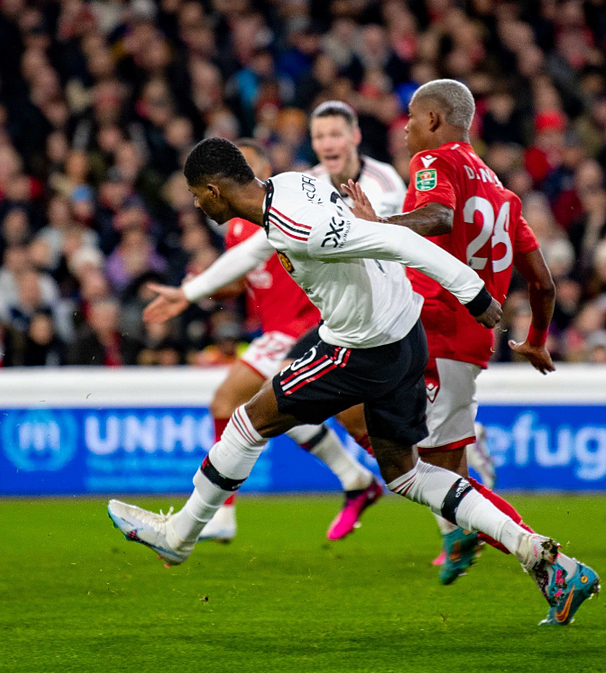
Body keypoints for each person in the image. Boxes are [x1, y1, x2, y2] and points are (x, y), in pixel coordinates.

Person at [111, 137, 598, 627]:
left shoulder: (298, 225)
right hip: (404, 335)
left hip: (361, 348)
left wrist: (471, 292)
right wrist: (193, 291)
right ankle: (543, 558)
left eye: (197, 194)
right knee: (405, 474)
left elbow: (399, 240)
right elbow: (274, 246)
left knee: (247, 421)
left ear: (214, 191)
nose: (196, 203)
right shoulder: (291, 186)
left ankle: (179, 538)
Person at [344, 79, 556, 582]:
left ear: (435, 121)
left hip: (434, 331)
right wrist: (536, 340)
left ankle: (548, 561)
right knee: (428, 463)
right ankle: (464, 529)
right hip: (468, 342)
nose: (404, 131)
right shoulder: (502, 193)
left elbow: (437, 217)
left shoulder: (436, 162)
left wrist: (376, 223)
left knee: (432, 474)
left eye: (411, 119)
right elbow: (543, 284)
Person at [145, 139, 378, 544]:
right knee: (261, 408)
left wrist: (196, 289)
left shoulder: (284, 207)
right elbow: (243, 278)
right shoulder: (237, 226)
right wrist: (203, 287)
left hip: (304, 326)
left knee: (342, 420)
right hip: (277, 331)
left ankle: (403, 477)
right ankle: (365, 478)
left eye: (250, 166)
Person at [306, 100, 406, 217]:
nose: (327, 146)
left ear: (355, 136)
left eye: (335, 135)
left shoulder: (385, 181)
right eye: (319, 137)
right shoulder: (306, 185)